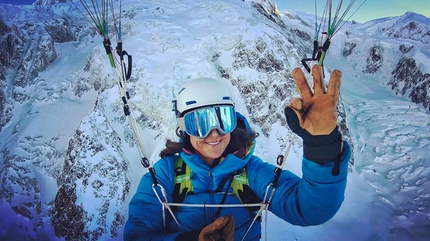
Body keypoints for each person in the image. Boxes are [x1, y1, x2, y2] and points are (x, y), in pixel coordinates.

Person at [124, 64, 350, 241]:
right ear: (183, 127)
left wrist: (323, 145)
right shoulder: (165, 174)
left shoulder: (251, 171)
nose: (214, 134)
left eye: (223, 119)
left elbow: (309, 209)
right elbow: (137, 237)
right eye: (199, 124)